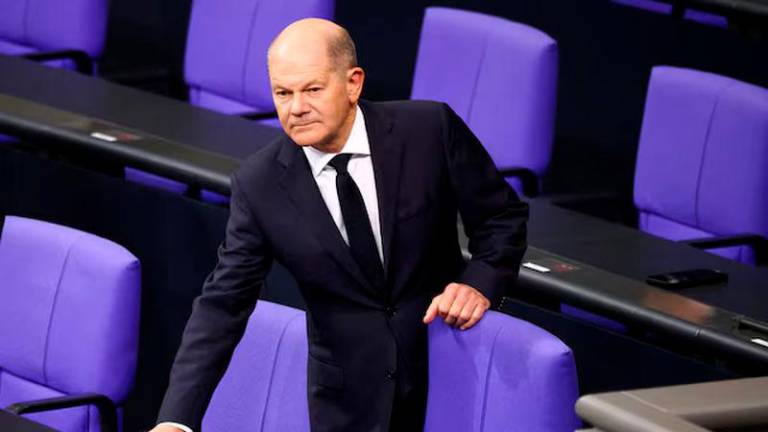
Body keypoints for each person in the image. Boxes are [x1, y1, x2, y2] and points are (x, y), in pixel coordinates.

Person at [152, 18, 528, 432]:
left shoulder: (429, 131)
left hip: (448, 377)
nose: (296, 107)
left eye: (312, 89)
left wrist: (479, 282)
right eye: (283, 93)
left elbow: (501, 217)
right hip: (347, 405)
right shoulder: (259, 185)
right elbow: (223, 303)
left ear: (353, 84)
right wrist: (176, 420)